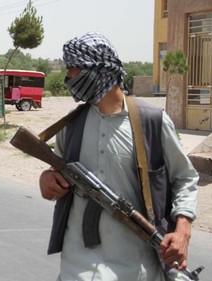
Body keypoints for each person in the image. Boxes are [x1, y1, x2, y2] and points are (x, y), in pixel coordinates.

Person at [38, 32, 198, 280]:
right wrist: (47, 180)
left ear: (98, 69)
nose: (68, 77)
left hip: (135, 269)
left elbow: (185, 177)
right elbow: (56, 172)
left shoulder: (152, 122)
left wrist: (183, 228)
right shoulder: (71, 125)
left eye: (73, 69)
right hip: (75, 268)